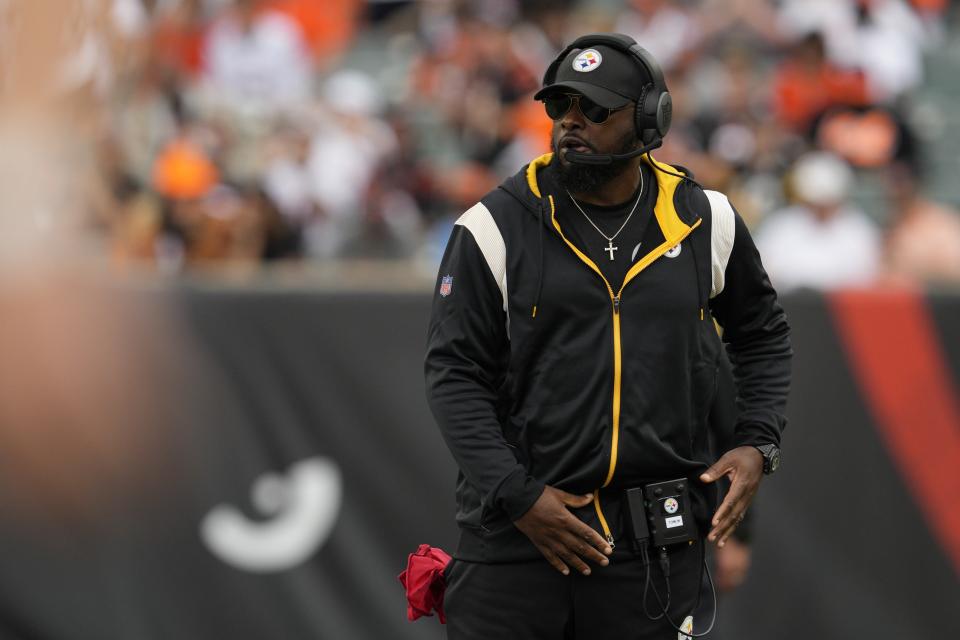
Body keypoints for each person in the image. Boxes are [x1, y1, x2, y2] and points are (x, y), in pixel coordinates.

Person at [424, 33, 791, 639]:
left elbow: (762, 333)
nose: (572, 121)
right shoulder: (492, 226)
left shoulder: (705, 219)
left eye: (595, 108)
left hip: (655, 546)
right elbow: (453, 374)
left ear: (650, 119)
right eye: (561, 105)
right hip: (519, 542)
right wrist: (519, 495)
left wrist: (759, 441)